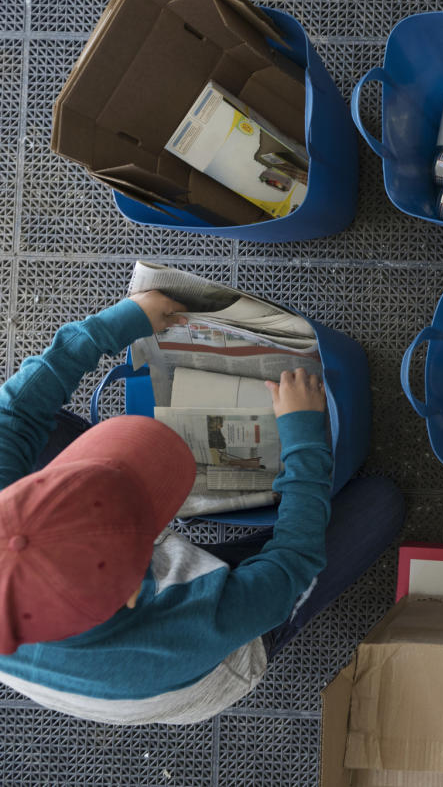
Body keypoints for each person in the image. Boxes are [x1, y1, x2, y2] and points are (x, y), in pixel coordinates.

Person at [0, 292, 406, 724]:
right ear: (141, 584)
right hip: (219, 662)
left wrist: (116, 324)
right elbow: (293, 565)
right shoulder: (184, 637)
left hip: (113, 608)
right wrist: (303, 437)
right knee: (381, 504)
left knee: (30, 431)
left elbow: (15, 414)